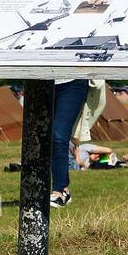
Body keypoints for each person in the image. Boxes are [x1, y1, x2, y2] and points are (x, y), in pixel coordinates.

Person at [50, 79, 90, 207]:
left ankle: (59, 191)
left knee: (59, 136)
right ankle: (63, 189)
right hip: (40, 80)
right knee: (41, 137)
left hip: (72, 81)